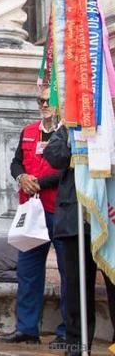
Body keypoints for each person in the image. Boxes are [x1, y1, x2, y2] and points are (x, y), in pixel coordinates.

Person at [0, 90, 68, 348]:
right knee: (27, 271)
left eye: (49, 100)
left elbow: (67, 169)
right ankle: (26, 328)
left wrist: (38, 182)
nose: (45, 105)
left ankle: (66, 331)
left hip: (59, 209)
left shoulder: (67, 131)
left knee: (66, 272)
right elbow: (16, 163)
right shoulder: (28, 130)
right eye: (40, 101)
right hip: (32, 212)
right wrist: (21, 178)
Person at [43, 124, 115, 356]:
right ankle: (77, 345)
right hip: (76, 216)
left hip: (109, 215)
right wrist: (77, 141)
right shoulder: (69, 126)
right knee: (76, 287)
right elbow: (54, 156)